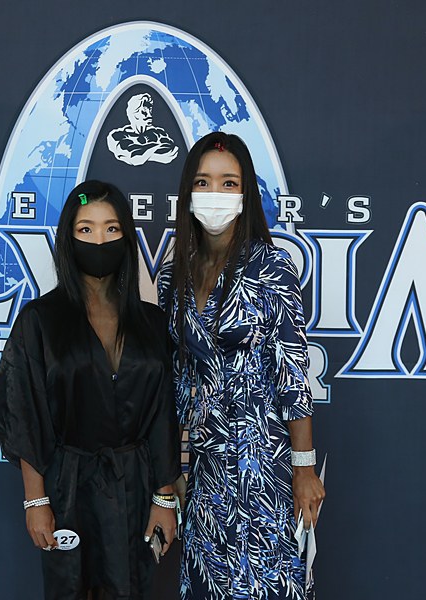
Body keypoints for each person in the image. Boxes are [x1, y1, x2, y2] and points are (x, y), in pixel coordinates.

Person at [0, 180, 181, 600]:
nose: (99, 240)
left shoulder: (151, 323)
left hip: (134, 488)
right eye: (86, 229)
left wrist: (164, 498)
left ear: (126, 237)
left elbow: (164, 414)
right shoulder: (40, 320)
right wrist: (35, 502)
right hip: (68, 489)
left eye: (111, 228)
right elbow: (25, 412)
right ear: (68, 239)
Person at [157, 132, 326, 599]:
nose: (215, 193)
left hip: (264, 463)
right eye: (203, 182)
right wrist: (173, 473)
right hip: (204, 468)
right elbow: (175, 382)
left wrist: (304, 469)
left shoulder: (271, 267)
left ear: (246, 192)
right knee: (209, 581)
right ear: (188, 191)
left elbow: (293, 373)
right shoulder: (173, 274)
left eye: (229, 183)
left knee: (267, 583)